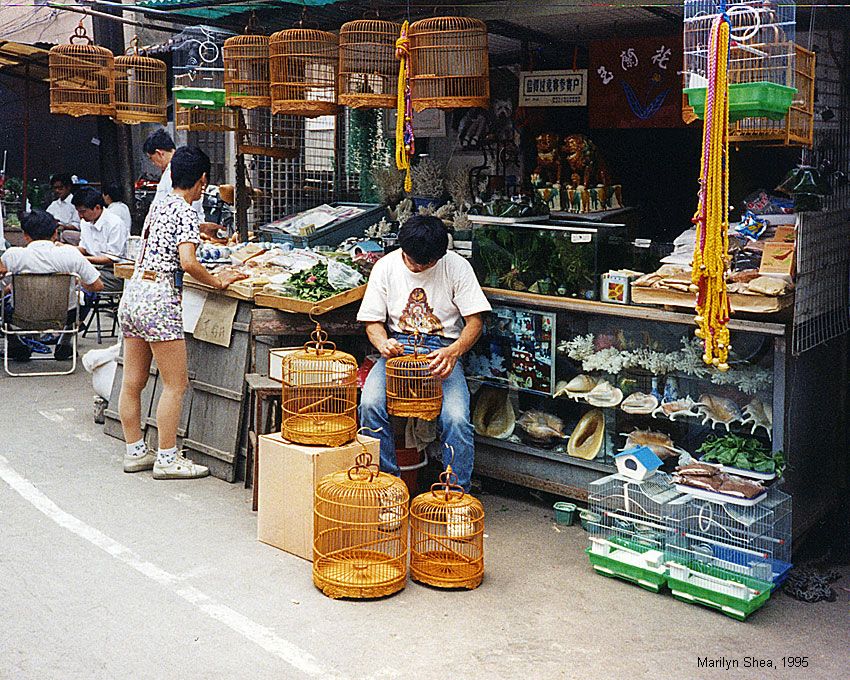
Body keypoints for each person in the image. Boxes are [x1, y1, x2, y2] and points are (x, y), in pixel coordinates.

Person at [117, 146, 246, 479]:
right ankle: (167, 457)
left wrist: (201, 232)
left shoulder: (160, 203)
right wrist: (218, 281)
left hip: (134, 295)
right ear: (202, 180)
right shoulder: (186, 210)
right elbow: (188, 262)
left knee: (133, 383)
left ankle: (135, 451)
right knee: (175, 385)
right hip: (160, 299)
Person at [357, 214, 492, 493]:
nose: (416, 267)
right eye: (411, 260)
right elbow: (372, 321)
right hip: (399, 350)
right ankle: (390, 488)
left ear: (440, 256)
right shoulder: (385, 267)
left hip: (443, 349)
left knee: (456, 418)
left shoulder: (457, 267)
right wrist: (383, 343)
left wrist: (454, 351)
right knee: (370, 404)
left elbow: (475, 322)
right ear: (402, 250)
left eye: (425, 263)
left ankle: (456, 495)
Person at [0, 210, 103, 361]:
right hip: (65, 316)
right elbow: (97, 285)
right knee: (88, 294)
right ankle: (66, 341)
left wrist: (9, 288)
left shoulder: (13, 255)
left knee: (2, 303)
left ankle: (15, 343)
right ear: (55, 233)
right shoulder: (70, 254)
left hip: (19, 316)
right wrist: (76, 284)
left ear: (25, 235)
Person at [72, 187, 129, 293]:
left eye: (83, 212)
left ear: (97, 207)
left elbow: (112, 258)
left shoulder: (115, 223)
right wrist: (65, 250)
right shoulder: (85, 222)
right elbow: (84, 248)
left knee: (75, 281)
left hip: (114, 272)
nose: (80, 216)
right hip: (94, 268)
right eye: (78, 212)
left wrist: (84, 260)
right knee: (66, 275)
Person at [143, 129, 205, 222]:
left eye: (151, 158)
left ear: (159, 153)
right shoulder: (170, 171)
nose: (153, 163)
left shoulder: (176, 170)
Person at [46, 173, 80, 242]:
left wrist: (63, 226)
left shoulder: (76, 203)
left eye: (60, 188)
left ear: (68, 187)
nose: (57, 191)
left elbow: (77, 225)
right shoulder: (54, 204)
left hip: (69, 237)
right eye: (55, 188)